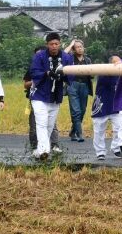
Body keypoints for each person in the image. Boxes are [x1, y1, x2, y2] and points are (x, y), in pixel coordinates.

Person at [29, 32, 73, 160]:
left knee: (49, 124)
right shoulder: (40, 56)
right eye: (51, 44)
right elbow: (34, 71)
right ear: (47, 45)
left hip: (56, 96)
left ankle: (40, 150)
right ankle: (45, 150)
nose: (54, 46)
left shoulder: (66, 57)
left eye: (56, 44)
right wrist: (46, 73)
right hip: (39, 95)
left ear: (60, 44)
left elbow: (71, 74)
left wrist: (63, 75)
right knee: (41, 122)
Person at [64, 38, 93, 142]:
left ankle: (73, 131)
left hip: (84, 86)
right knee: (76, 111)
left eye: (81, 47)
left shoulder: (88, 60)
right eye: (77, 47)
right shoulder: (70, 58)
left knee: (82, 110)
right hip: (72, 86)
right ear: (73, 49)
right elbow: (63, 54)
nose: (80, 49)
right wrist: (71, 44)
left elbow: (91, 74)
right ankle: (80, 134)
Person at [90, 60, 119, 161]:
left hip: (116, 103)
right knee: (99, 129)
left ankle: (116, 148)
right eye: (115, 61)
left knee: (120, 127)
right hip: (101, 103)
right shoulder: (103, 70)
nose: (118, 63)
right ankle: (100, 151)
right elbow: (108, 82)